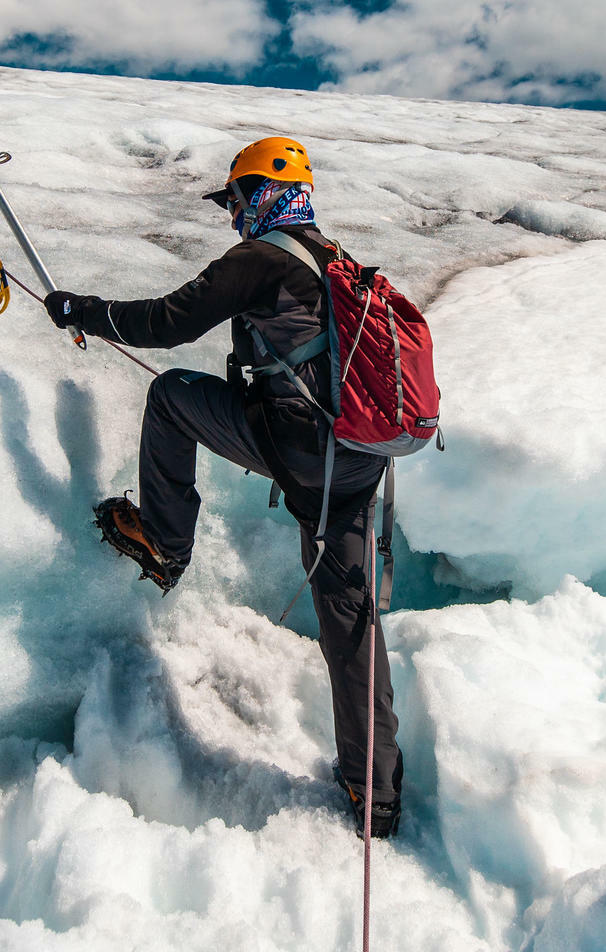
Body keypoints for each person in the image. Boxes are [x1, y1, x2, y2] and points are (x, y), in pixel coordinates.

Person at [43, 138, 403, 839]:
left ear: (263, 192)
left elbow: (166, 323)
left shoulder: (262, 259)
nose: (232, 215)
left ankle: (166, 543)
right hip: (357, 460)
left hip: (303, 451)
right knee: (350, 621)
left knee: (173, 397)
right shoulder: (335, 261)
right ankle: (376, 793)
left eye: (236, 199)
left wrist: (78, 310)